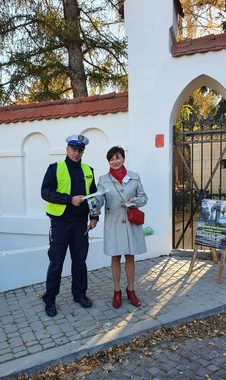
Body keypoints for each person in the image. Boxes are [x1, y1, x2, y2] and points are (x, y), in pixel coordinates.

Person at [41, 134, 98, 317]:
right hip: (60, 223)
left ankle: (79, 295)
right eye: (74, 149)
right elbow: (46, 192)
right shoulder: (55, 168)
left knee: (80, 262)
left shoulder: (88, 170)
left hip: (80, 223)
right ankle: (49, 299)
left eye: (80, 150)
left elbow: (93, 196)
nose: (76, 153)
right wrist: (68, 200)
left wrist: (94, 216)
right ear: (67, 149)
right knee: (56, 262)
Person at [97, 146, 147, 309]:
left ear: (123, 159)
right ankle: (117, 291)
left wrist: (133, 201)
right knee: (115, 257)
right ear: (109, 162)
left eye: (117, 157)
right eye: (111, 159)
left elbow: (144, 198)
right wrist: (94, 203)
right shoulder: (103, 180)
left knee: (130, 257)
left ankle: (131, 290)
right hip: (114, 223)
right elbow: (99, 200)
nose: (115, 161)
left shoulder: (134, 177)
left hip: (131, 222)